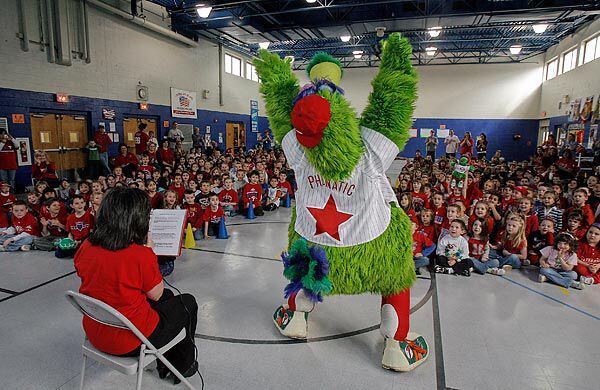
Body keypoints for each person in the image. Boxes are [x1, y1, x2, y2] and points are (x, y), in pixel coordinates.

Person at [74, 187, 199, 383]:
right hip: (131, 340)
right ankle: (183, 366)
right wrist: (149, 252)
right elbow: (156, 294)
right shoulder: (139, 255)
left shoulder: (86, 246)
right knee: (187, 302)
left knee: (168, 298)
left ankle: (169, 363)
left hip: (94, 330)